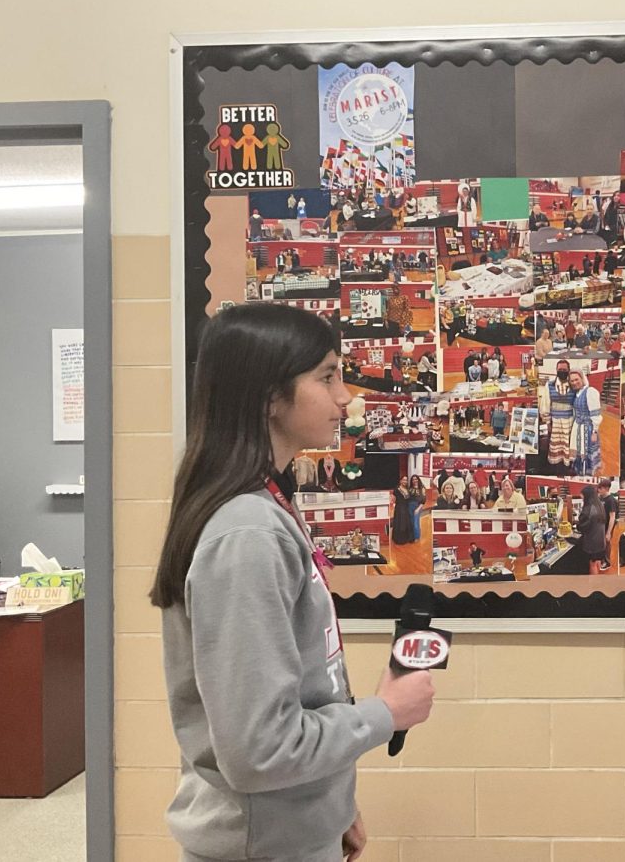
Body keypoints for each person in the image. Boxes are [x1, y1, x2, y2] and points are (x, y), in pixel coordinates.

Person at [151, 303, 434, 862]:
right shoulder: (246, 534)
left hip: (289, 827)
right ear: (269, 397)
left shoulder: (265, 507)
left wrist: (330, 802)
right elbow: (260, 748)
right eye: (326, 377)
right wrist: (387, 712)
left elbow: (295, 695)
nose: (345, 396)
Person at [568, 369, 603, 476]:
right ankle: (579, 470)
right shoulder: (577, 393)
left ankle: (586, 473)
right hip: (577, 426)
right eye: (572, 381)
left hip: (587, 428)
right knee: (578, 452)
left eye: (576, 379)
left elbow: (595, 414)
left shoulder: (590, 392)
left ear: (582, 378)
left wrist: (595, 432)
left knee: (586, 452)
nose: (574, 382)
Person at [577, 485, 608, 576]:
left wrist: (578, 525)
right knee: (597, 561)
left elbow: (582, 527)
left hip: (592, 542)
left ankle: (594, 587)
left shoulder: (588, 509)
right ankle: (597, 582)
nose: (582, 499)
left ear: (587, 496)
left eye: (582, 497)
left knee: (592, 564)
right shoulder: (600, 505)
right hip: (600, 540)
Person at [598, 478, 619, 572]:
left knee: (606, 543)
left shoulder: (611, 500)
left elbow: (612, 517)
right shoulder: (600, 498)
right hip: (601, 525)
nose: (599, 490)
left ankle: (607, 562)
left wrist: (609, 532)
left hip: (608, 525)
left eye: (601, 488)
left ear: (606, 488)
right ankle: (602, 560)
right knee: (602, 543)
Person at [392, 476, 416, 545]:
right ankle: (400, 539)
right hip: (400, 508)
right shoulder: (397, 489)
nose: (405, 481)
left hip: (406, 507)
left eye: (406, 480)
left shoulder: (407, 489)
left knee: (407, 522)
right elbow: (393, 499)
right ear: (400, 481)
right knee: (401, 523)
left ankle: (408, 538)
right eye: (403, 480)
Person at [408, 475, 425, 542]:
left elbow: (423, 500)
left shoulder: (422, 488)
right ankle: (412, 535)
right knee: (411, 521)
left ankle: (417, 536)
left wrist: (418, 509)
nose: (415, 481)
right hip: (409, 506)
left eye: (416, 479)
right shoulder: (410, 488)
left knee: (415, 522)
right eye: (413, 479)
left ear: (418, 480)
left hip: (417, 506)